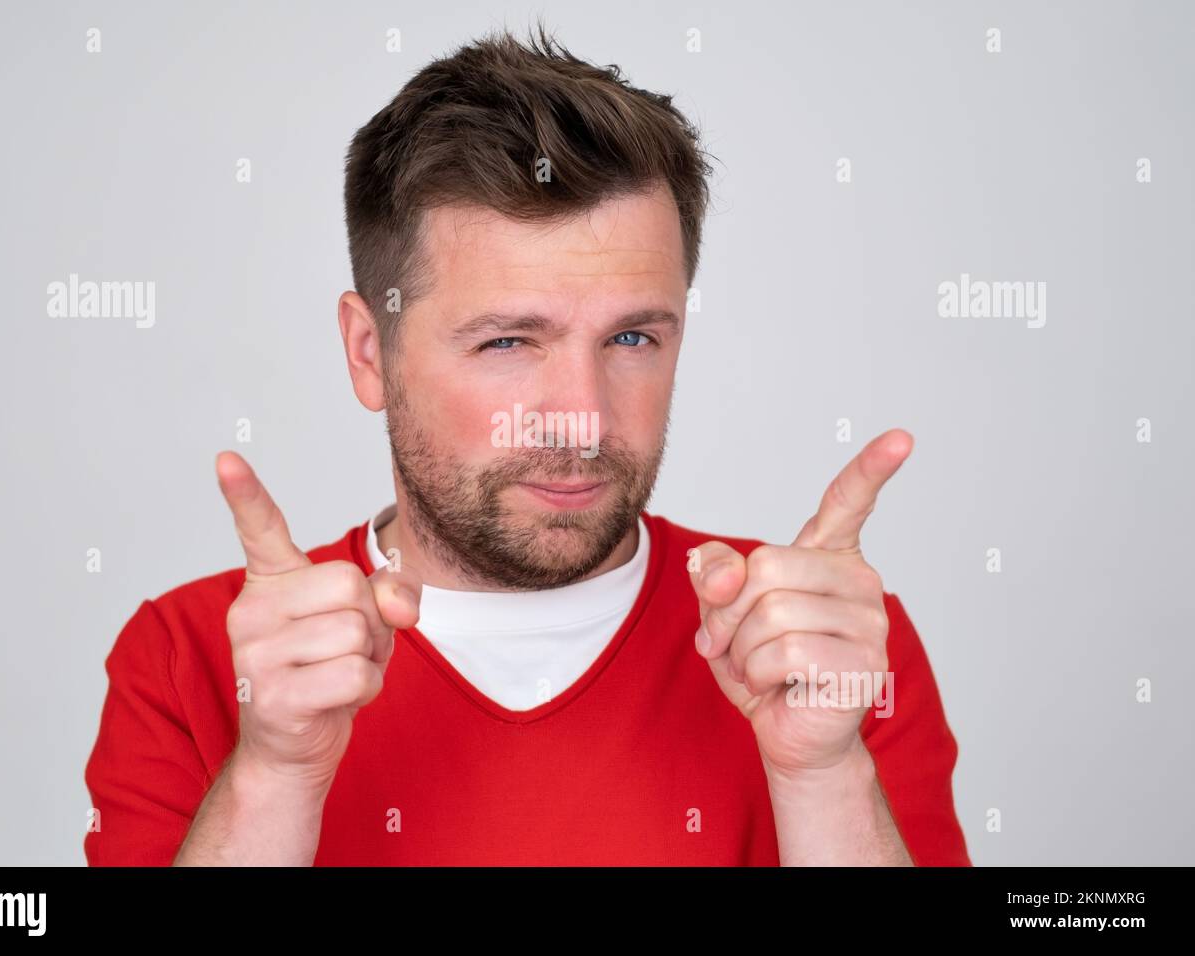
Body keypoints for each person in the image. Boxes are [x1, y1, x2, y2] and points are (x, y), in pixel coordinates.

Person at [83, 25, 969, 867]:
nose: (579, 416)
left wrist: (825, 774)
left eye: (631, 339)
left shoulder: (819, 640)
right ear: (370, 355)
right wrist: (274, 775)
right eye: (508, 342)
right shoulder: (199, 657)